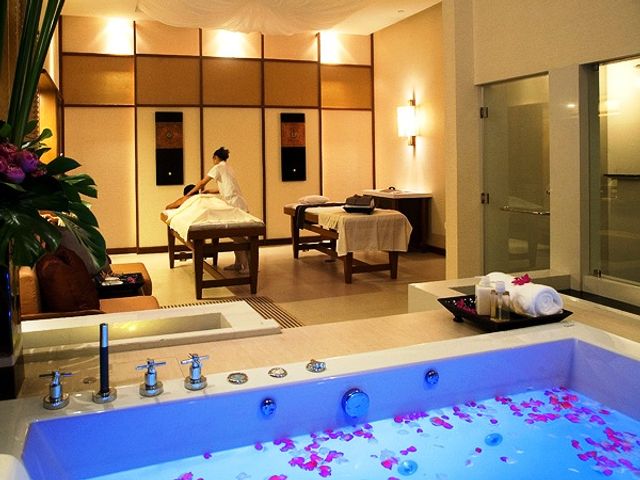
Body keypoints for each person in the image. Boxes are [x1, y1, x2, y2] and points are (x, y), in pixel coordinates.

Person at [166, 147, 249, 271]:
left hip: (234, 205)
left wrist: (189, 194)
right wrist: (209, 191)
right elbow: (226, 188)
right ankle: (239, 264)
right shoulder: (228, 168)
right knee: (238, 238)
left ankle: (247, 268)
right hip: (239, 203)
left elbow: (201, 183)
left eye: (213, 159)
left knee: (240, 238)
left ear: (215, 157)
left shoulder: (218, 167)